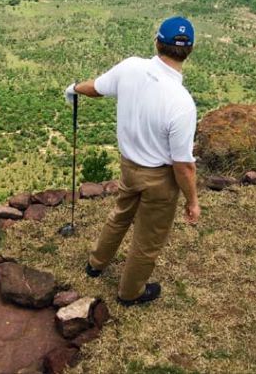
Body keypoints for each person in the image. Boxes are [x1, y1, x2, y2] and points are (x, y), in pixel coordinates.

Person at [64, 16, 200, 307]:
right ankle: (130, 292)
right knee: (148, 240)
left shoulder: (131, 68)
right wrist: (192, 201)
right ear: (190, 50)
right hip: (160, 179)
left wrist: (75, 87)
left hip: (129, 166)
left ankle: (96, 263)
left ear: (156, 41)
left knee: (121, 214)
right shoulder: (182, 102)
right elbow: (183, 165)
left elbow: (96, 88)